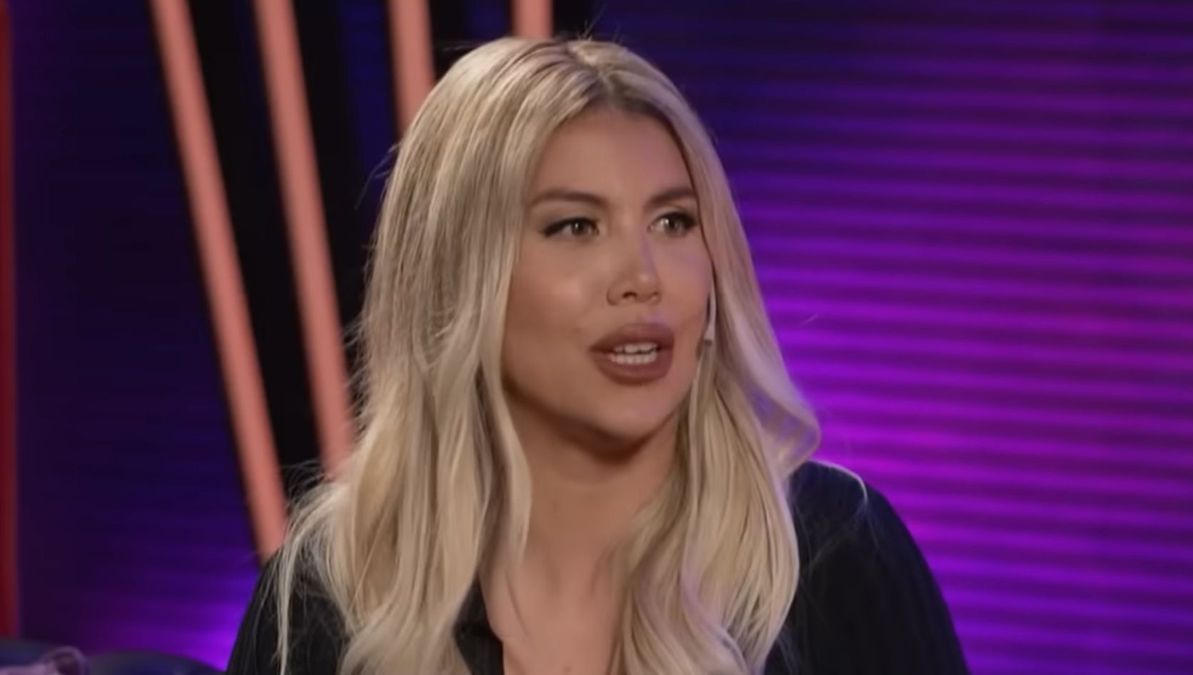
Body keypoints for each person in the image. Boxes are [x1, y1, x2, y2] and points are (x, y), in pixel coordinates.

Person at [226, 36, 969, 675]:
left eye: (674, 221)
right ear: (459, 281)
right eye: (576, 227)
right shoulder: (328, 594)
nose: (643, 277)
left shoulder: (834, 554)